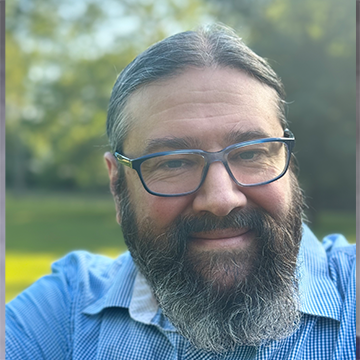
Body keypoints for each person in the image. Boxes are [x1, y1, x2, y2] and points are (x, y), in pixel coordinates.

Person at [6, 24, 355, 359]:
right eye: (173, 163)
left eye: (250, 153)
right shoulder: (65, 311)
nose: (220, 199)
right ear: (117, 185)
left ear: (288, 163)